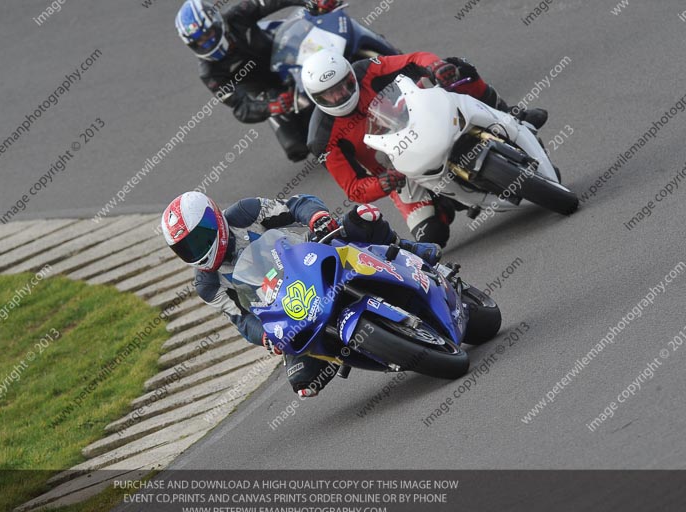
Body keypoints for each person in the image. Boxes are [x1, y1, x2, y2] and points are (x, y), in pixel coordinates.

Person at [161, 191, 440, 397]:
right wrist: (265, 336)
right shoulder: (207, 284)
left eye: (200, 237)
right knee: (304, 383)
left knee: (362, 217)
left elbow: (296, 205)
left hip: (313, 258)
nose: (197, 249)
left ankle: (408, 249)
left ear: (215, 218)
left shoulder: (245, 213)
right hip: (288, 309)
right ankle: (349, 353)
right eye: (187, 247)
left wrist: (316, 218)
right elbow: (242, 320)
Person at [303, 49, 549, 247]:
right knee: (432, 237)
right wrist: (383, 183)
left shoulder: (366, 69)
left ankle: (511, 114)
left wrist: (435, 66)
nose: (341, 95)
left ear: (350, 75)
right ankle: (444, 205)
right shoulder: (322, 139)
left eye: (345, 84)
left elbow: (413, 59)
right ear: (316, 98)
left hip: (424, 119)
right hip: (399, 170)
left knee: (458, 67)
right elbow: (353, 188)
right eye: (330, 94)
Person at [175, 0, 317, 160]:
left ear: (216, 23)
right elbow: (240, 107)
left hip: (285, 57)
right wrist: (272, 107)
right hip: (268, 92)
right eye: (200, 41)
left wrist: (310, 2)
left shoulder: (237, 15)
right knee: (296, 148)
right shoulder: (210, 74)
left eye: (208, 34)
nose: (207, 42)